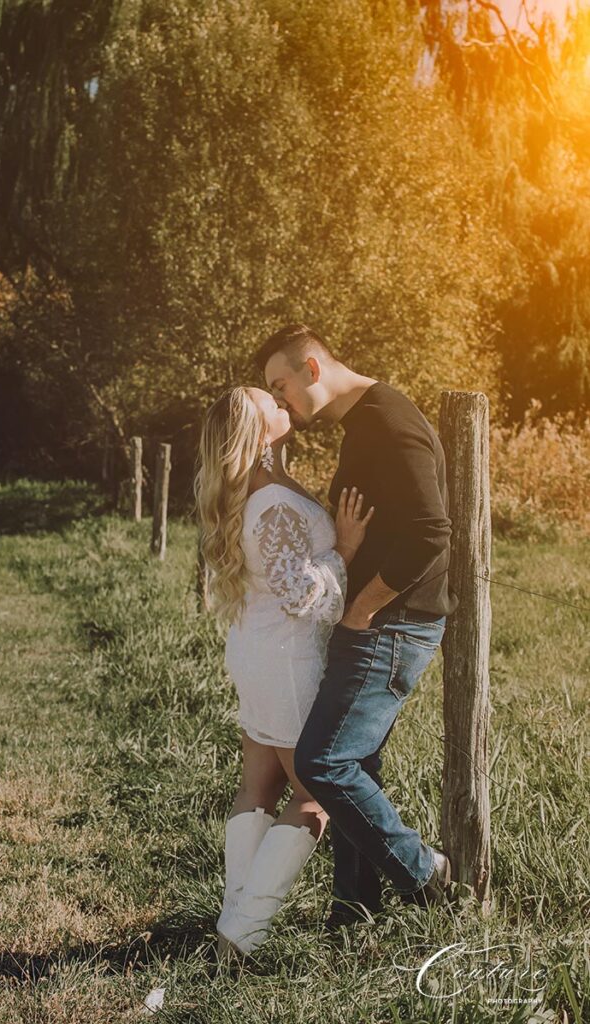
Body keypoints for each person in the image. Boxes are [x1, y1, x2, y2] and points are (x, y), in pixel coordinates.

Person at [254, 322, 460, 929]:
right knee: (354, 763)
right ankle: (354, 912)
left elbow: (431, 531)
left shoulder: (387, 421)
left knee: (323, 762)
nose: (279, 400)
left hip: (391, 623)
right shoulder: (363, 422)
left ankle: (430, 877)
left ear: (312, 368)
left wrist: (365, 606)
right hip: (370, 620)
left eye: (281, 384)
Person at [194, 386, 375, 955]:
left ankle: (233, 919)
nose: (282, 402)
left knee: (259, 785)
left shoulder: (262, 488)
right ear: (257, 429)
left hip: (259, 650)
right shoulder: (271, 502)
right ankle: (242, 934)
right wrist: (343, 552)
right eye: (269, 401)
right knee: (311, 797)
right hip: (286, 661)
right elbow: (301, 596)